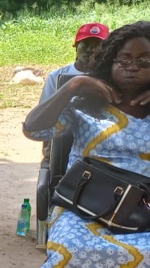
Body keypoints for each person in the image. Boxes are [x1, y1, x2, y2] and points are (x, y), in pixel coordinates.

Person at [23, 21, 150, 268]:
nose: (132, 66)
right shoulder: (85, 103)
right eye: (124, 58)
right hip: (86, 206)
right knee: (74, 251)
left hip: (144, 209)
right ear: (109, 60)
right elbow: (33, 129)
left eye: (145, 59)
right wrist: (74, 86)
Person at [37, 23, 109, 165]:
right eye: (85, 44)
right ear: (76, 47)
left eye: (97, 44)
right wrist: (47, 150)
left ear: (107, 50)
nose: (90, 49)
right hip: (63, 137)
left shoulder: (112, 77)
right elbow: (45, 113)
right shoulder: (58, 76)